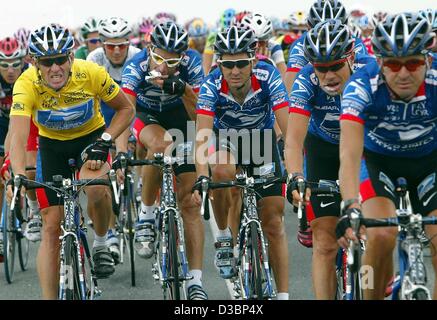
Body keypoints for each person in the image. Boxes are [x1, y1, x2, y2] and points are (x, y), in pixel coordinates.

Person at [8, 24, 135, 299]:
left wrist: (106, 140)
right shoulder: (26, 83)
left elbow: (126, 109)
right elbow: (17, 136)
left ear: (71, 58)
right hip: (51, 147)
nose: (55, 68)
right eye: (46, 62)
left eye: (60, 60)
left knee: (97, 187)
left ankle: (101, 242)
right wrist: (17, 174)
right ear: (35, 63)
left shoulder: (91, 73)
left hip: (90, 141)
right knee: (51, 226)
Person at [335, 12, 437, 299]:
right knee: (380, 235)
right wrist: (350, 205)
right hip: (379, 162)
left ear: (427, 59)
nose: (403, 73)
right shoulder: (361, 85)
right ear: (379, 62)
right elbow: (350, 155)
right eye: (393, 64)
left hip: (429, 162)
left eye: (413, 62)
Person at [192, 25, 290, 300]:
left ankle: (283, 295)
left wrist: (294, 169)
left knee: (274, 221)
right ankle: (224, 236)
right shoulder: (212, 84)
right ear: (219, 64)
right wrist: (202, 177)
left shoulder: (268, 75)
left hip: (261, 141)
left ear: (253, 59)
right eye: (228, 64)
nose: (235, 71)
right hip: (227, 142)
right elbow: (201, 136)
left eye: (241, 63)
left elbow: (288, 126)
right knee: (221, 170)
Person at [284, 19, 373, 299]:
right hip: (323, 150)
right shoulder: (306, 81)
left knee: (372, 234)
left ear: (351, 57)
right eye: (321, 68)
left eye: (335, 66)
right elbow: (294, 141)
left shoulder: (369, 73)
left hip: (363, 151)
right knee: (324, 241)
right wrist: (296, 176)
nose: (328, 75)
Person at [121, 21, 207, 300]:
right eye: (158, 58)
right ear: (149, 49)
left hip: (181, 118)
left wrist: (183, 90)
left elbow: (202, 116)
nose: (164, 66)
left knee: (191, 205)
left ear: (183, 56)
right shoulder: (135, 66)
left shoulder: (192, 64)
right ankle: (146, 215)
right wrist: (121, 153)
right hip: (146, 116)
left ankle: (195, 282)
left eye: (172, 61)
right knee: (160, 147)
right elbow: (124, 110)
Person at [87, 17, 141, 264]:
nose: (117, 50)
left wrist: (130, 138)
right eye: (111, 46)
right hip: (105, 116)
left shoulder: (138, 57)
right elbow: (93, 105)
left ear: (129, 43)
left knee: (137, 151)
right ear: (103, 45)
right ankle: (109, 231)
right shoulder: (94, 60)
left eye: (121, 45)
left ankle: (137, 192)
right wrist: (103, 139)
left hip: (131, 111)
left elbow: (137, 105)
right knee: (105, 178)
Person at [0, 36, 41, 252]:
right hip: (2, 122)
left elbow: (16, 130)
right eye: (4, 65)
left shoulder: (29, 77)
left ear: (23, 62)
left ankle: (33, 208)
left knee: (28, 163)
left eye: (15, 64)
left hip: (25, 120)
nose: (9, 70)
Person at [283, 0, 368, 93]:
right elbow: (290, 88)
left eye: (334, 29)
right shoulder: (300, 44)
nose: (327, 37)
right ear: (308, 28)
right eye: (320, 30)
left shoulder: (356, 43)